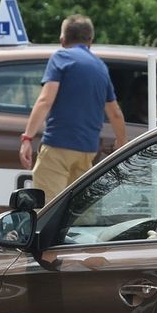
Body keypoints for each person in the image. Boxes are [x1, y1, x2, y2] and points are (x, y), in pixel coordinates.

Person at [19, 14, 127, 200]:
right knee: (75, 211)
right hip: (87, 151)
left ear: (62, 40)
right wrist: (121, 142)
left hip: (58, 146)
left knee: (47, 210)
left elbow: (45, 100)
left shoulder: (61, 57)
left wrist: (27, 137)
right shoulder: (100, 67)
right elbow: (115, 113)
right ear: (90, 41)